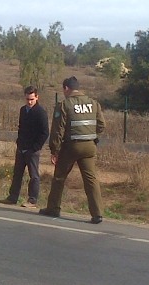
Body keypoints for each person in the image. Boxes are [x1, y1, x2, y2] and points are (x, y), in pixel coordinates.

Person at [39, 76, 106, 224]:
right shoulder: (93, 103)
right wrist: (94, 137)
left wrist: (54, 150)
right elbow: (101, 125)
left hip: (71, 146)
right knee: (91, 180)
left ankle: (53, 208)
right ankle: (97, 214)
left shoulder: (64, 104)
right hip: (89, 146)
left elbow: (58, 129)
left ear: (66, 88)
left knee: (59, 177)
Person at [0, 86, 49, 208]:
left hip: (32, 150)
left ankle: (32, 200)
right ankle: (13, 197)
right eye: (27, 99)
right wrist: (19, 142)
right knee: (17, 173)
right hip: (22, 147)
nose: (29, 101)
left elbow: (45, 132)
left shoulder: (40, 112)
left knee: (34, 176)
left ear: (37, 97)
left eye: (32, 99)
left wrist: (36, 147)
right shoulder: (23, 110)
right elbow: (21, 127)